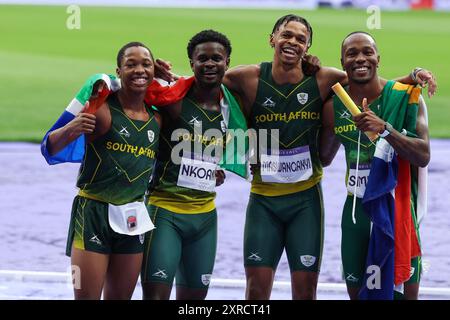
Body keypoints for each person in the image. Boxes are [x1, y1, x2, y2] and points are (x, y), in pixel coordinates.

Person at [220, 14, 436, 300]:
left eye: (301, 39)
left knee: (314, 291)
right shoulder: (248, 78)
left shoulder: (332, 82)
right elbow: (204, 86)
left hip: (332, 203)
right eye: (287, 35)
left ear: (307, 47)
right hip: (276, 199)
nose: (292, 42)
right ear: (272, 38)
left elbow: (369, 83)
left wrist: (412, 77)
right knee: (258, 292)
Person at [45, 42, 161, 299]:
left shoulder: (158, 118)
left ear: (154, 70)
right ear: (118, 71)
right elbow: (49, 148)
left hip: (133, 216)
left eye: (146, 64)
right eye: (131, 64)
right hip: (93, 215)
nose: (139, 69)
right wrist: (71, 129)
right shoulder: (102, 110)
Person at [319, 31, 430, 300]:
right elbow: (324, 157)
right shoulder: (334, 107)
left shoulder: (406, 98)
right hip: (356, 212)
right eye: (352, 53)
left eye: (367, 52)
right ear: (342, 63)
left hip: (398, 210)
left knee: (403, 293)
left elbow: (423, 155)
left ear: (378, 58)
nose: (360, 58)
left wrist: (385, 129)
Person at [140, 30, 231, 300]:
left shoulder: (233, 108)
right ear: (191, 63)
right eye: (202, 58)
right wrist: (149, 73)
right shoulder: (173, 101)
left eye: (217, 58)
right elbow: (128, 91)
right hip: (165, 213)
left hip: (205, 217)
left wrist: (218, 168)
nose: (210, 64)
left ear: (227, 61)